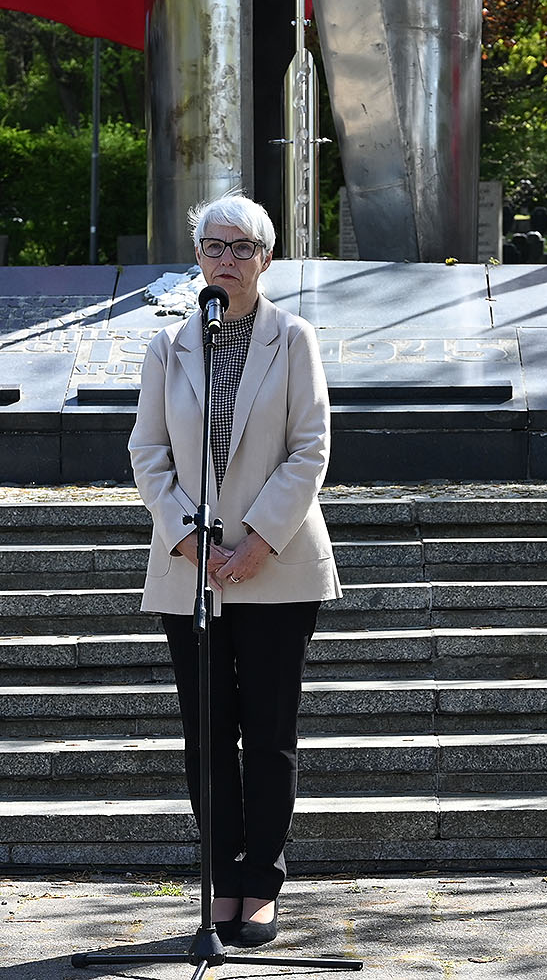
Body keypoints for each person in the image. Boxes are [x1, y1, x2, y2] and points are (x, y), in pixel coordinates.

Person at [127, 191, 340, 949]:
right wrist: (189, 538)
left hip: (275, 566)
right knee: (208, 733)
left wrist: (255, 540)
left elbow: (309, 448)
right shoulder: (170, 346)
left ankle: (261, 883)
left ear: (267, 259)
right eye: (214, 246)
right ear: (197, 258)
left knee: (269, 731)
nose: (227, 260)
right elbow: (147, 452)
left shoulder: (294, 338)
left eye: (242, 248)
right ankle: (219, 882)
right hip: (191, 571)